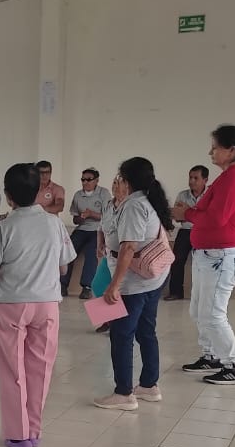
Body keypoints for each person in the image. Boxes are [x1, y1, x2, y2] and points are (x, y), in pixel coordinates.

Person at [0, 163, 75, 447]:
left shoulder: (3, 228)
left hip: (11, 304)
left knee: (13, 369)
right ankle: (34, 430)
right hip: (47, 304)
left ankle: (18, 434)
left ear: (8, 196)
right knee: (41, 368)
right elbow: (63, 266)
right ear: (38, 191)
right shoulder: (54, 224)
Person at [173, 126, 235, 385]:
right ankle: (211, 356)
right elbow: (208, 212)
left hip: (221, 257)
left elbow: (217, 218)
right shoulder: (226, 177)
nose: (210, 152)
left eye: (215, 147)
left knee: (213, 314)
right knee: (198, 310)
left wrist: (186, 214)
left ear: (231, 150)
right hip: (207, 255)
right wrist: (189, 212)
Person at [94, 158, 173, 411]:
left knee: (121, 334)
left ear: (128, 180)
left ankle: (124, 393)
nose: (117, 182)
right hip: (150, 279)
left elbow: (128, 247)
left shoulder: (134, 206)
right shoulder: (145, 200)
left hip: (134, 282)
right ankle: (149, 385)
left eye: (120, 177)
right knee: (146, 331)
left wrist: (114, 285)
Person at [165, 165, 209, 301]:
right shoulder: (182, 195)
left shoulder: (210, 195)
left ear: (205, 180)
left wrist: (188, 212)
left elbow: (209, 217)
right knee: (176, 260)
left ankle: (203, 294)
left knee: (203, 263)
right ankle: (176, 292)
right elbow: (177, 217)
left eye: (196, 178)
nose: (192, 181)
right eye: (190, 177)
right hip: (185, 231)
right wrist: (192, 214)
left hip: (203, 232)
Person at [64, 167, 108, 300]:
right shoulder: (78, 195)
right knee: (68, 250)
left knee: (91, 253)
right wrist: (81, 218)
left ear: (96, 180)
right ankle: (62, 285)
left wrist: (91, 214)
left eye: (89, 180)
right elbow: (75, 219)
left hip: (97, 230)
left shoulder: (104, 193)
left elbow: (108, 216)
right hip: (81, 229)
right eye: (83, 180)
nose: (85, 182)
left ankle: (86, 287)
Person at [93, 173, 127, 334]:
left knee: (121, 290)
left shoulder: (130, 206)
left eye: (119, 183)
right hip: (109, 254)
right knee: (98, 285)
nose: (115, 186)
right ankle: (107, 320)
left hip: (125, 257)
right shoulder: (108, 204)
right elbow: (101, 227)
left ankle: (119, 324)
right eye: (114, 182)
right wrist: (100, 244)